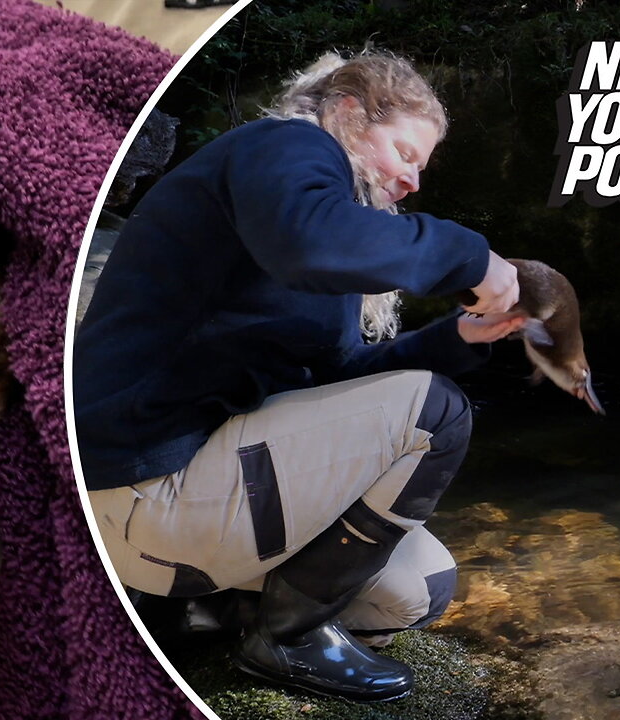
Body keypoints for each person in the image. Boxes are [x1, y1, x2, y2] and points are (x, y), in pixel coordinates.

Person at [73, 50, 525, 702]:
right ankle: (283, 641)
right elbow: (310, 242)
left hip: (200, 518)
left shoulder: (322, 235)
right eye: (405, 152)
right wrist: (468, 255)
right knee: (439, 414)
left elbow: (334, 382)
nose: (412, 179)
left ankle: (213, 615)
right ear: (346, 113)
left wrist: (456, 338)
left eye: (422, 166)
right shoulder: (283, 147)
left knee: (420, 588)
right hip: (142, 484)